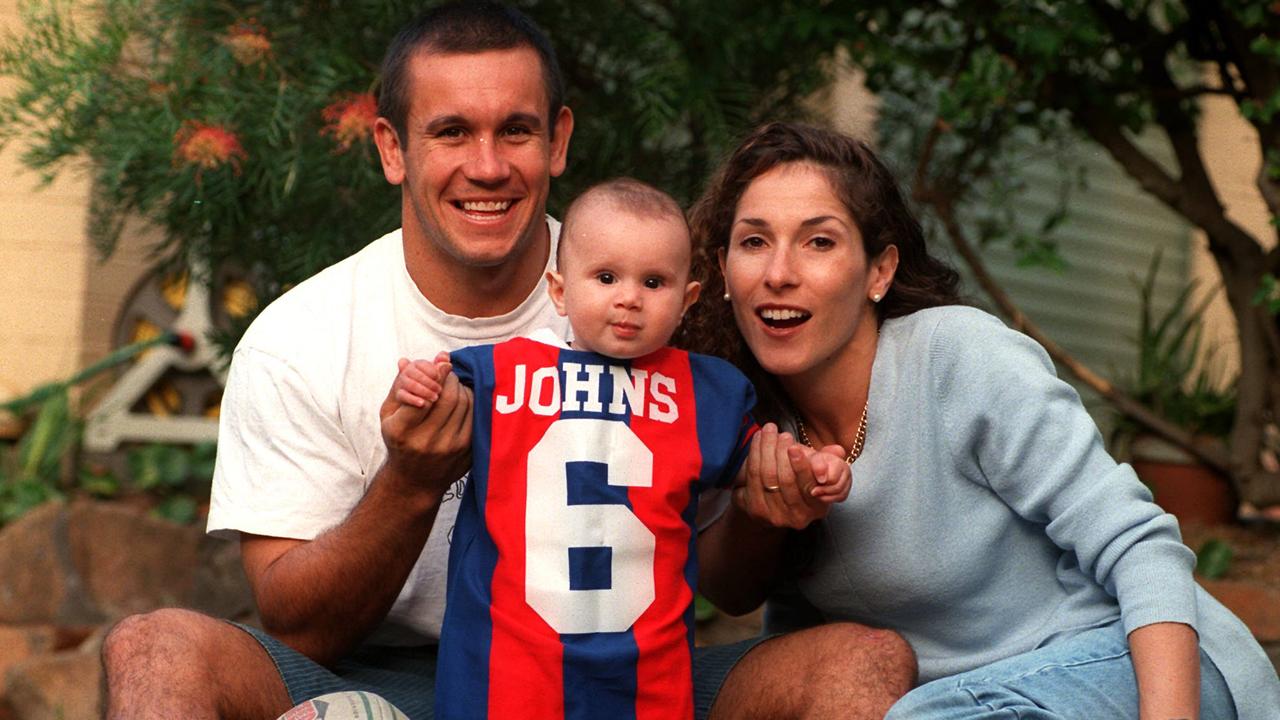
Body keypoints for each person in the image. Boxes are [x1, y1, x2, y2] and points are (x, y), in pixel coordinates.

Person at [99, 4, 915, 718]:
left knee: (861, 661)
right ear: (392, 148)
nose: (487, 166)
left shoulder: (650, 297)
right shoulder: (301, 336)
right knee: (155, 650)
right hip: (374, 684)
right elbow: (298, 626)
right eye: (451, 131)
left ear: (557, 139)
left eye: (515, 130)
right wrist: (411, 483)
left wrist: (766, 511)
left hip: (629, 682)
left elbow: (729, 589)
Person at [685, 120, 1280, 719]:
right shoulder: (749, 415)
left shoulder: (957, 357)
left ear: (879, 272)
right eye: (754, 241)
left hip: (1133, 661)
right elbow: (745, 600)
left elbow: (1140, 546)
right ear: (723, 270)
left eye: (819, 242)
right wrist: (760, 514)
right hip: (971, 701)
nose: (778, 272)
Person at [387, 178, 851, 719]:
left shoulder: (706, 392)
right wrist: (421, 390)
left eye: (653, 282)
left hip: (646, 676)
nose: (628, 297)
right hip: (506, 671)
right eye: (606, 277)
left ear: (687, 299)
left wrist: (811, 465)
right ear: (559, 290)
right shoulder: (499, 373)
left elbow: (761, 460)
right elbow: (440, 406)